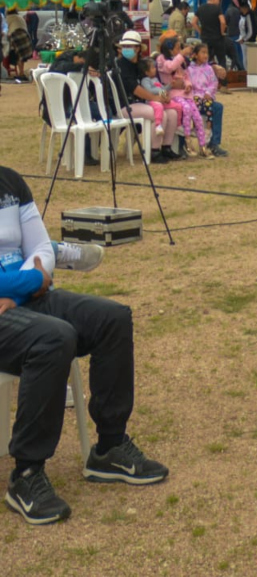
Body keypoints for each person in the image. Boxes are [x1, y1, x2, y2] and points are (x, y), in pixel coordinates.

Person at [1, 164, 168, 525]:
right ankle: (26, 474)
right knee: (53, 337)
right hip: (17, 298)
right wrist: (30, 281)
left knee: (112, 318)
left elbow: (41, 248)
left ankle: (109, 447)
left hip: (25, 296)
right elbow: (39, 270)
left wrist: (23, 288)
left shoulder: (10, 181)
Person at [112, 31, 182, 162]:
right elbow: (135, 89)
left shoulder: (141, 64)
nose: (126, 49)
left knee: (172, 113)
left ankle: (166, 147)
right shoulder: (121, 66)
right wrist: (155, 98)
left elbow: (153, 84)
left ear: (138, 48)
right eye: (124, 46)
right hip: (126, 105)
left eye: (129, 46)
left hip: (143, 103)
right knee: (159, 114)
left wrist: (164, 95)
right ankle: (154, 151)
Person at [140, 56, 210, 158]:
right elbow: (150, 90)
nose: (155, 69)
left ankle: (178, 125)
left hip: (162, 98)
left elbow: (163, 88)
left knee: (177, 107)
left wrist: (169, 86)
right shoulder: (145, 80)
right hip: (152, 101)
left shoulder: (155, 79)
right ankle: (158, 125)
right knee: (159, 108)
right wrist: (163, 92)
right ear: (146, 72)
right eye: (152, 68)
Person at [186, 42, 229, 157]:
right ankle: (185, 143)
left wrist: (208, 92)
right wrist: (194, 95)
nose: (206, 55)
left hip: (207, 98)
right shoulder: (189, 69)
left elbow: (214, 83)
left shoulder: (209, 69)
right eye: (203, 53)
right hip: (194, 99)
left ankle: (214, 143)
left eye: (207, 53)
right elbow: (188, 83)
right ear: (195, 55)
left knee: (218, 107)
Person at [194, 0, 236, 71]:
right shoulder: (217, 8)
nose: (218, 2)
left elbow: (193, 22)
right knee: (221, 59)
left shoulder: (200, 8)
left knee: (206, 58)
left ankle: (206, 74)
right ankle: (222, 77)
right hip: (217, 38)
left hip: (205, 38)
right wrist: (222, 32)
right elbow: (223, 22)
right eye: (218, 0)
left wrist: (200, 32)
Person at [4, 5, 31, 82]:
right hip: (25, 36)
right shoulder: (20, 17)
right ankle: (21, 72)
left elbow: (5, 31)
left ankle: (21, 73)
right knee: (21, 56)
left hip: (16, 36)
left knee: (17, 55)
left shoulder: (8, 18)